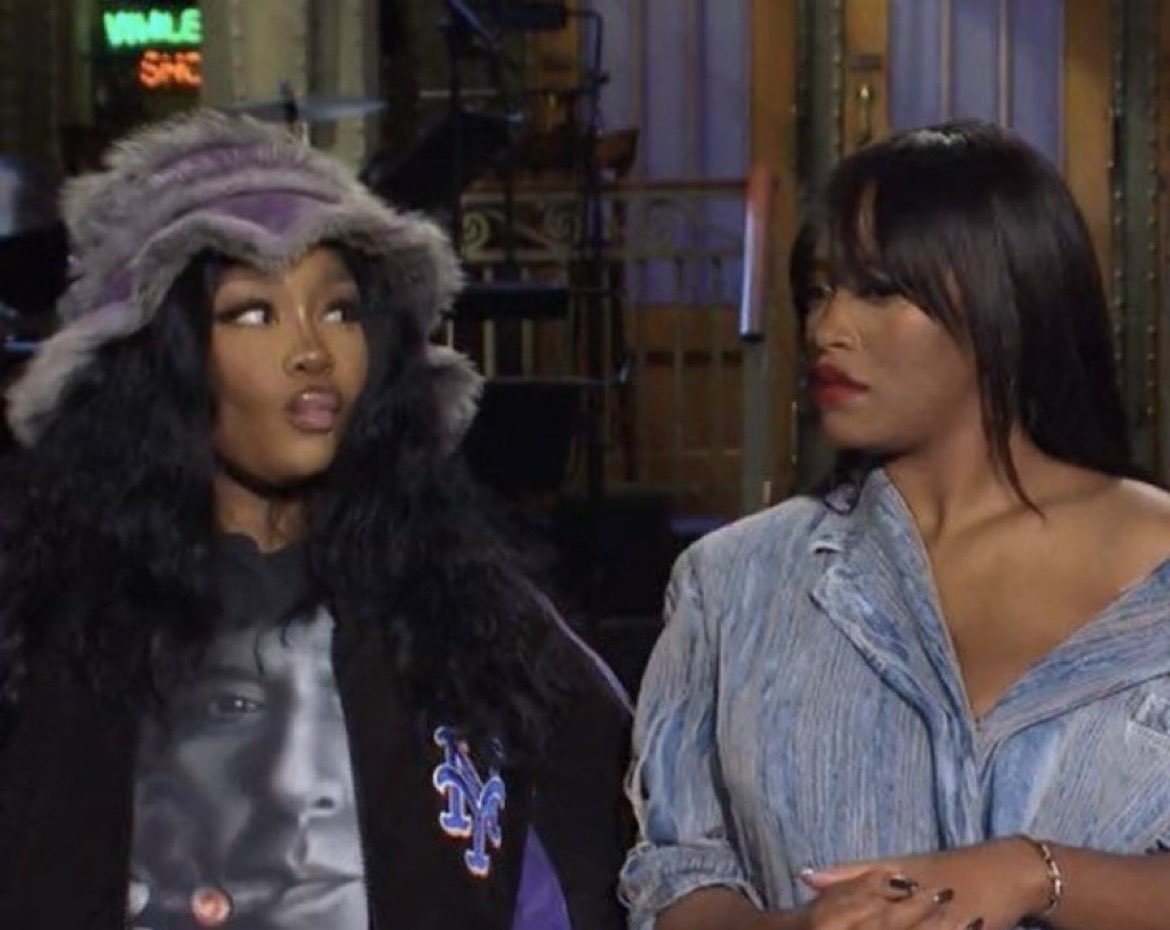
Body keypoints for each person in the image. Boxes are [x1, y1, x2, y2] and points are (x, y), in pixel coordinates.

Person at [0, 109, 631, 929]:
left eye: (338, 310)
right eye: (254, 314)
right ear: (165, 358)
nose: (312, 351)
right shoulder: (46, 626)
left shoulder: (462, 612)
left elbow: (596, 837)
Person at [620, 119, 1170, 930]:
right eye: (817, 292)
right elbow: (675, 876)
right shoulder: (735, 582)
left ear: (1009, 295)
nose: (827, 329)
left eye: (878, 290)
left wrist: (1036, 873)